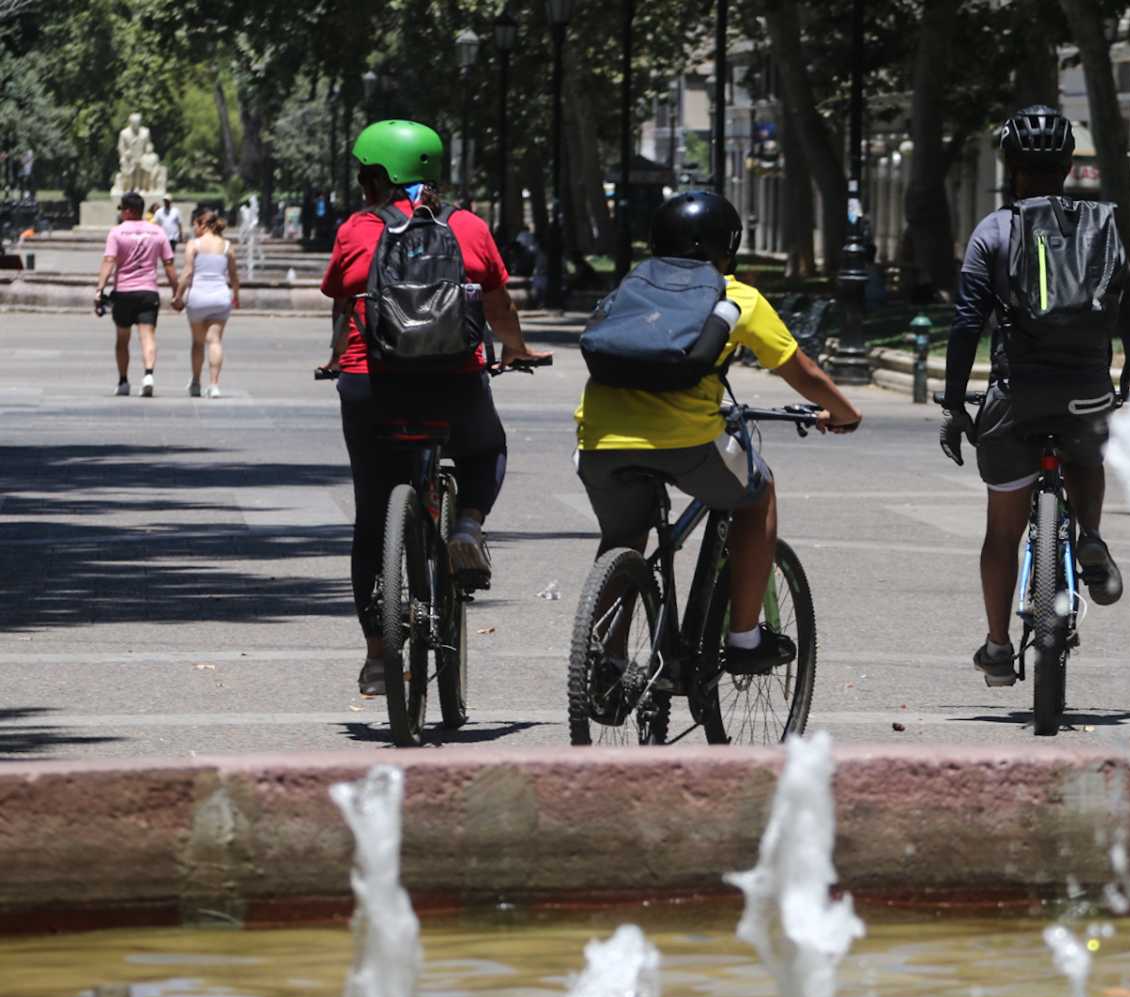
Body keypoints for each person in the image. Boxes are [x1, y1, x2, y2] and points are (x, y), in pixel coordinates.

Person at [574, 191, 863, 674]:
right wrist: (844, 412)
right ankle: (745, 638)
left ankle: (605, 663)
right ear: (727, 246)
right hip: (686, 441)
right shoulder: (736, 296)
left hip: (599, 441)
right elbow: (802, 373)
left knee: (623, 536)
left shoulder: (629, 288)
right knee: (757, 494)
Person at [320, 120, 550, 696]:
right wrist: (516, 351)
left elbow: (343, 304)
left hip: (370, 383)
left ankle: (377, 656)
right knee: (486, 449)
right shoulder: (466, 226)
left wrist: (334, 360)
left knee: (372, 516)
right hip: (454, 378)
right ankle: (468, 524)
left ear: (376, 176)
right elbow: (497, 302)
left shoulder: (357, 229)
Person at [937, 104, 1130, 687]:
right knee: (1087, 452)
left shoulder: (994, 231)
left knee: (1002, 533)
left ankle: (997, 647)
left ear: (1010, 166)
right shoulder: (1102, 225)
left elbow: (965, 325)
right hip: (1087, 389)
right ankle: (1090, 534)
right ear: (1067, 166)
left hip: (1017, 398)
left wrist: (954, 403)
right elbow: (1127, 307)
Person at [95, 192, 180, 397]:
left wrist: (100, 289)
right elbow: (169, 266)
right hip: (148, 292)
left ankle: (123, 381)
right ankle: (148, 375)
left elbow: (109, 261)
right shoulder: (157, 232)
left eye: (123, 209)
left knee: (122, 338)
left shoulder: (116, 233)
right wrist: (177, 292)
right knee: (148, 336)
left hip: (124, 292)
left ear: (128, 211)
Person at [170, 210, 239, 397]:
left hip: (198, 298)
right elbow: (233, 276)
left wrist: (177, 296)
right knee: (215, 340)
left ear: (202, 225)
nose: (194, 229)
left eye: (195, 225)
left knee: (198, 342)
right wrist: (236, 296)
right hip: (220, 297)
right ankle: (214, 385)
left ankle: (195, 383)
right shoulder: (226, 246)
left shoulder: (194, 245)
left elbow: (187, 273)